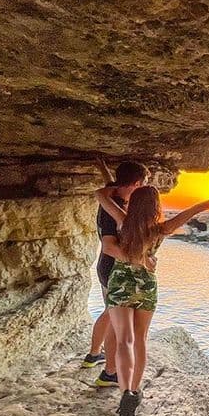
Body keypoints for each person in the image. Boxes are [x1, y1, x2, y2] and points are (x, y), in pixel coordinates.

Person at [95, 178, 209, 416]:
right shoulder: (162, 229)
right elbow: (194, 210)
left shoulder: (122, 220)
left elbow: (101, 196)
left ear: (134, 203)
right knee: (140, 340)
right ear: (155, 206)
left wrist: (114, 185)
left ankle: (124, 390)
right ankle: (134, 391)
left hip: (120, 283)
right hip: (146, 285)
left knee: (124, 340)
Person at [81, 160, 150, 387]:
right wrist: (141, 261)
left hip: (108, 267)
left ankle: (93, 355)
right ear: (137, 184)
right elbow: (110, 246)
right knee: (115, 322)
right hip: (113, 269)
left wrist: (103, 168)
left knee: (109, 314)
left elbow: (110, 184)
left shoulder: (112, 196)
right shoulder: (115, 210)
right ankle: (110, 373)